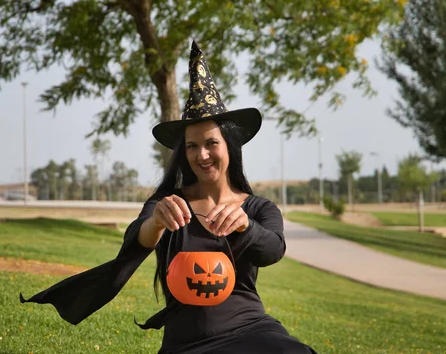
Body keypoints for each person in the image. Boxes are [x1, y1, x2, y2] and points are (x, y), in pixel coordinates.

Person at [21, 41, 317, 354]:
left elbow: (273, 250)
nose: (202, 155)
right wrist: (158, 222)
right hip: (187, 341)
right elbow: (137, 238)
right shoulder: (168, 203)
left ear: (229, 145)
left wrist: (246, 225)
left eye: (211, 143)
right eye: (191, 146)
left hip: (250, 328)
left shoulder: (258, 208)